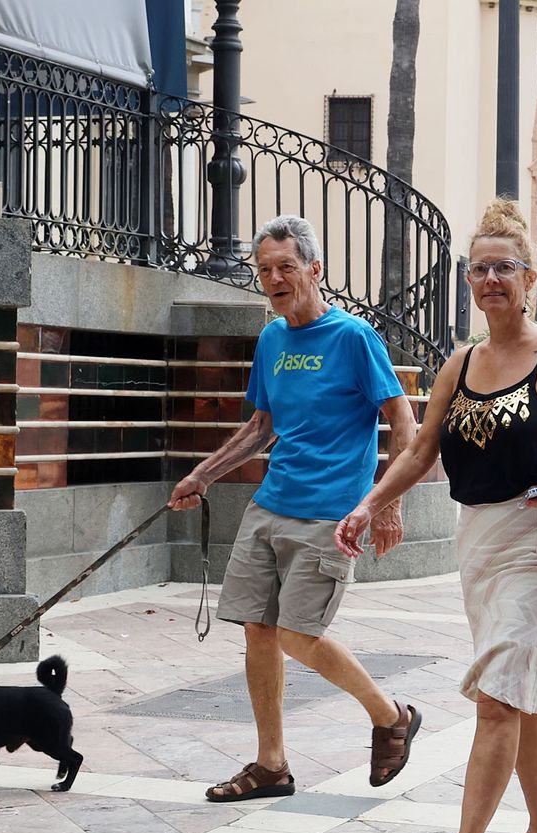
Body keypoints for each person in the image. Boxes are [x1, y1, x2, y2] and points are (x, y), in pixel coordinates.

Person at [335, 198, 537, 833]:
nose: (490, 278)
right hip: (479, 540)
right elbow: (424, 446)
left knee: (497, 697)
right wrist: (372, 500)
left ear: (530, 277)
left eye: (505, 266)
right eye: (479, 267)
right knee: (518, 692)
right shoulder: (459, 362)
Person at [168, 215, 421, 802]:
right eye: (264, 270)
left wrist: (385, 504)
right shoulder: (272, 339)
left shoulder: (354, 338)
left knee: (298, 634)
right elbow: (262, 426)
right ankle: (271, 764)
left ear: (314, 269)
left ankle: (390, 717)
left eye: (286, 266)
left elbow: (403, 422)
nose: (275, 278)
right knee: (258, 631)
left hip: (329, 514)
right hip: (270, 504)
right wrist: (202, 476)